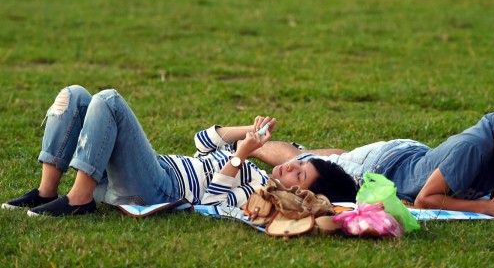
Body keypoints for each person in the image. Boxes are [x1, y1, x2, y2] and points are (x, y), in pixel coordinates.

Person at [2, 85, 356, 217]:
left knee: (108, 100)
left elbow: (212, 201)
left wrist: (239, 157)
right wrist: (249, 133)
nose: (289, 169)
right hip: (153, 168)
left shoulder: (260, 198)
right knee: (77, 95)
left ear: (304, 192)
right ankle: (45, 192)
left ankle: (79, 200)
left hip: (157, 188)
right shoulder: (257, 168)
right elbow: (203, 141)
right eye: (298, 164)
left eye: (300, 174)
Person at [251, 98, 494, 218]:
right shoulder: (474, 148)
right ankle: (251, 143)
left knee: (337, 157)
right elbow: (426, 200)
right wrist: (488, 208)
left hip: (406, 156)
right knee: (301, 164)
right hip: (381, 168)